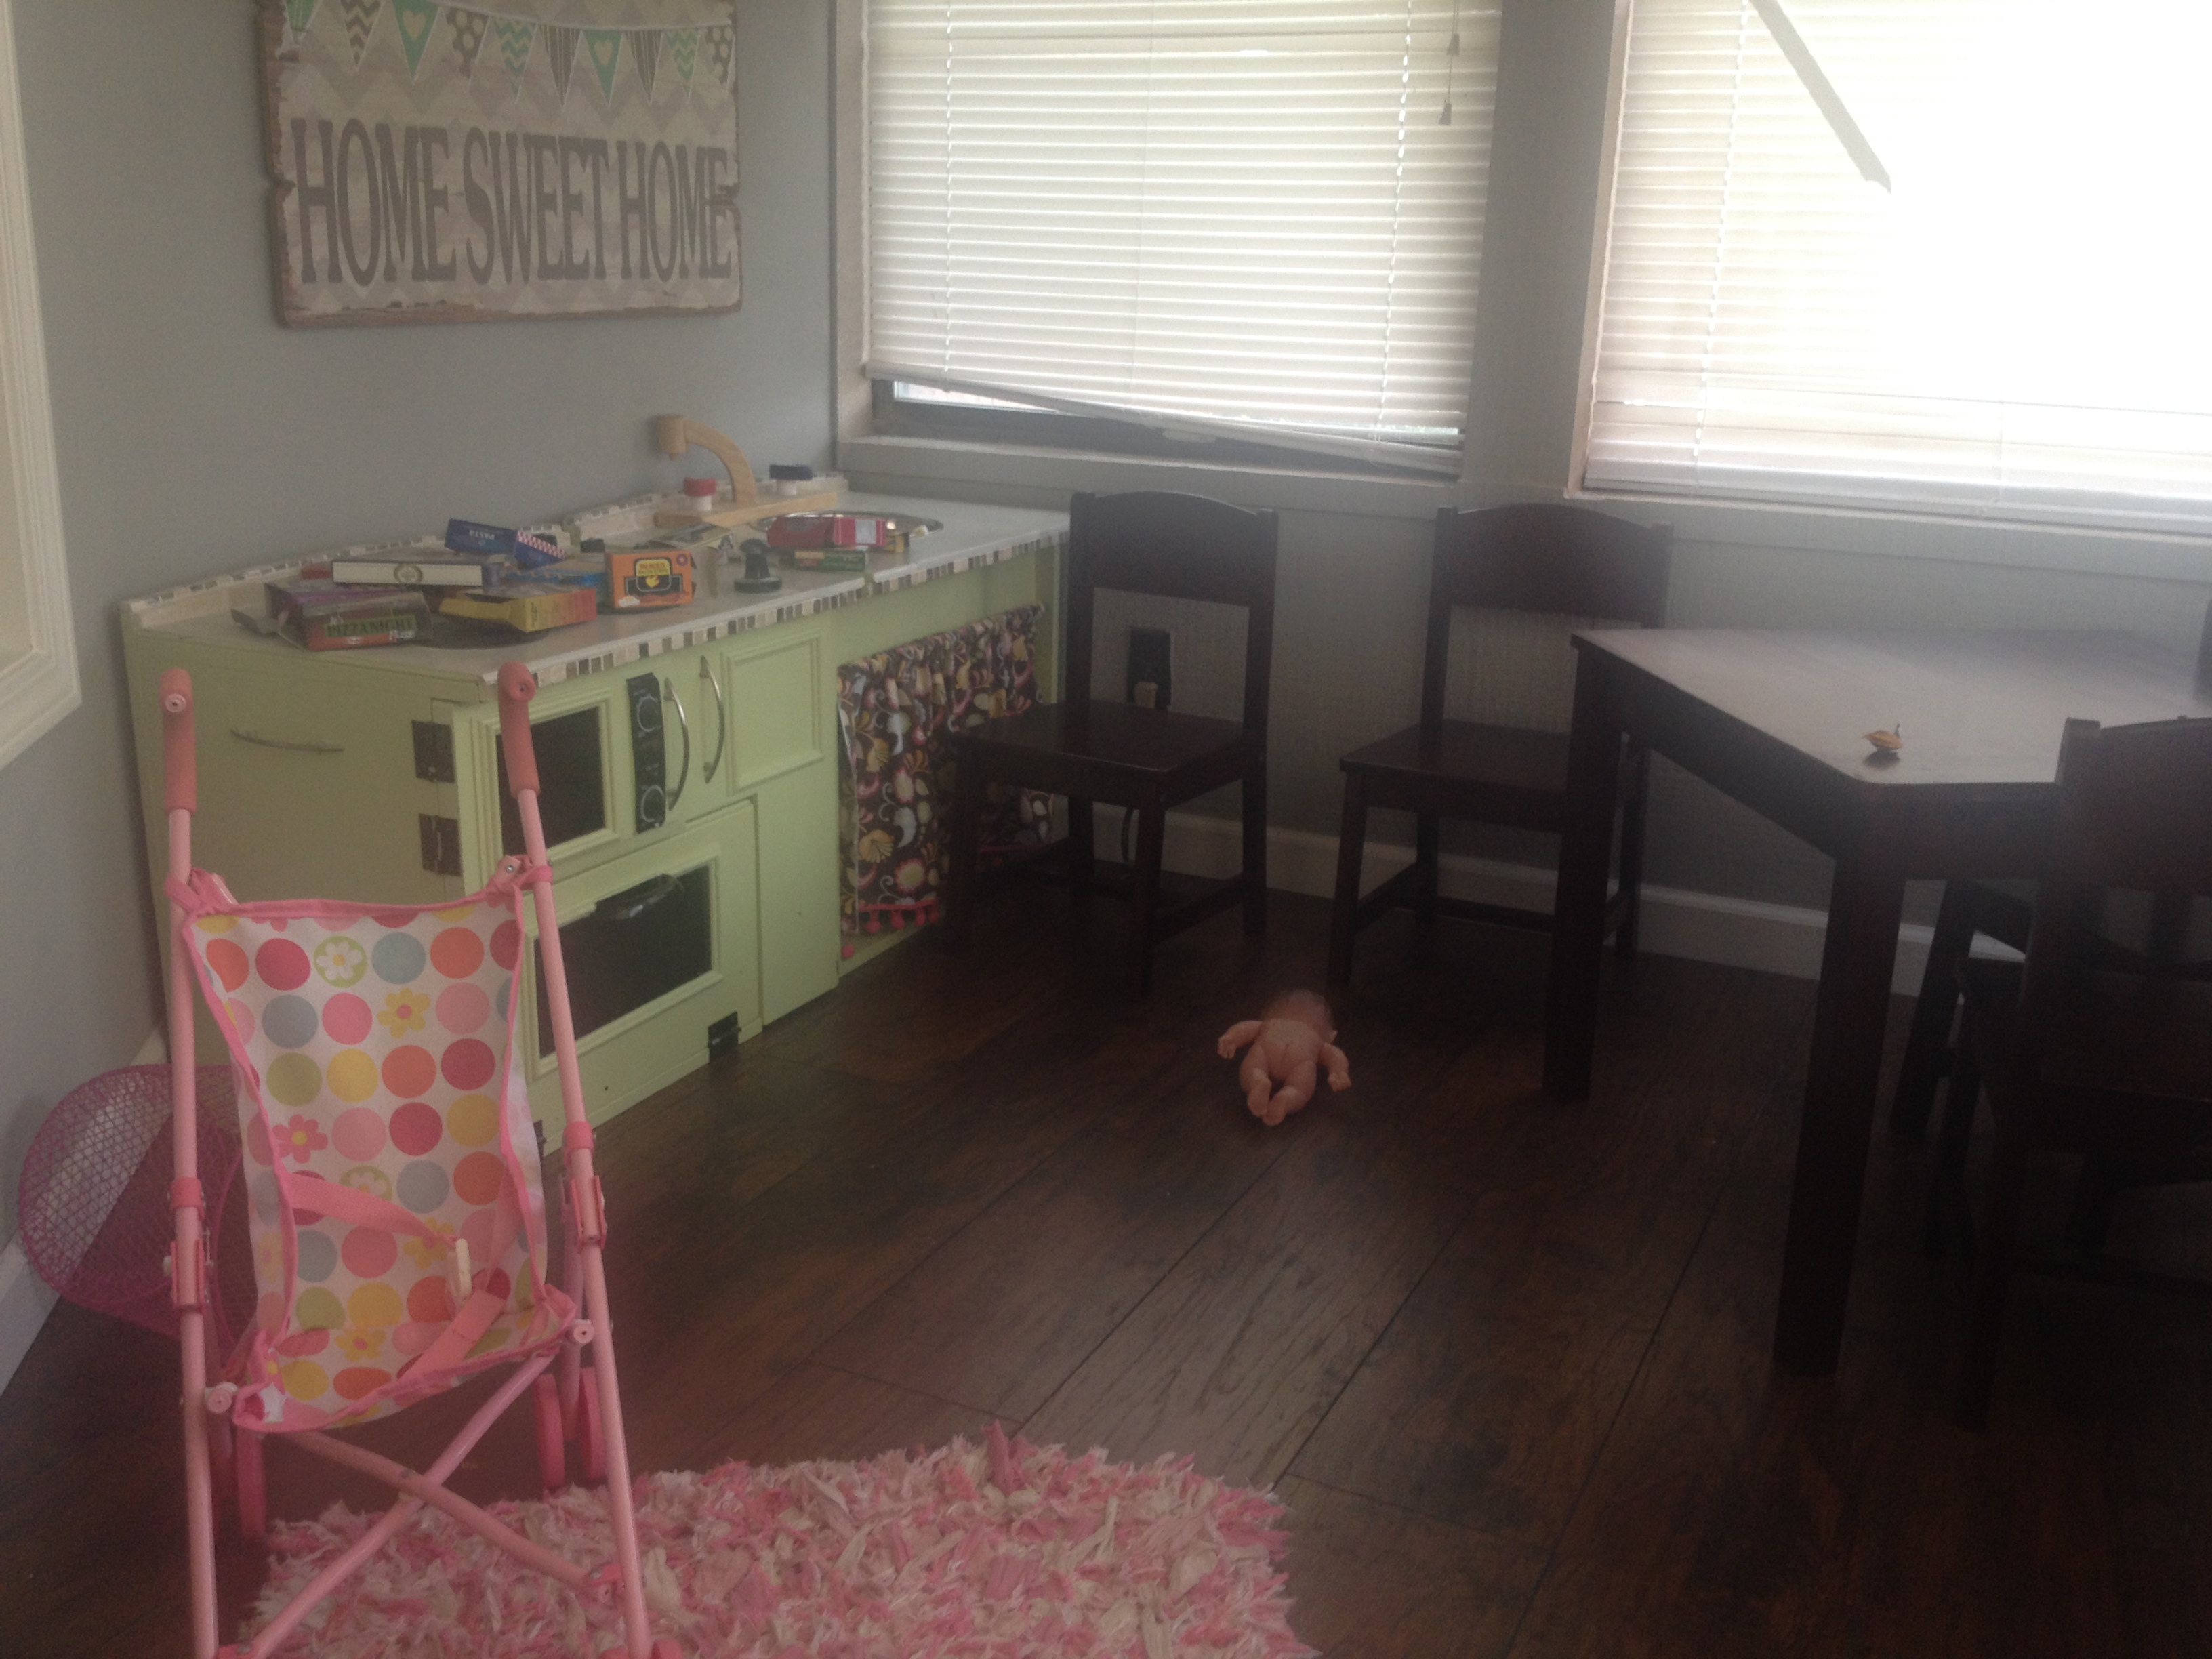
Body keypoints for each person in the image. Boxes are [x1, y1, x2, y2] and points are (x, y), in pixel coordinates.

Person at [1216, 990, 1351, 1126]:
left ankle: (1257, 1081)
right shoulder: (1318, 1041)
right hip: (1301, 1060)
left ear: (1267, 1013)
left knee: (1253, 1067)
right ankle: (1287, 1098)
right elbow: (1336, 1055)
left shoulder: (1269, 1024)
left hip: (1267, 1048)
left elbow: (1244, 1028)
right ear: (1331, 1036)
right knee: (1300, 1089)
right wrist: (1339, 1072)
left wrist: (1231, 1038)